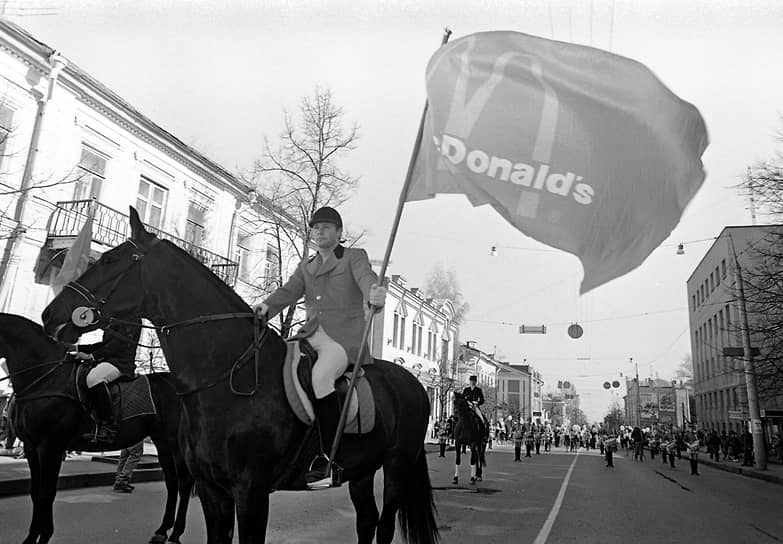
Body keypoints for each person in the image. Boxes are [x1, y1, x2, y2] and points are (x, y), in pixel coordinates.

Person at [254, 206, 386, 489]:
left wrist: (374, 293)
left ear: (339, 233)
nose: (319, 232)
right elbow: (288, 291)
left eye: (326, 227)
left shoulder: (353, 257)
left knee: (321, 377)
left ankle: (327, 459)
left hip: (342, 338)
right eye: (315, 228)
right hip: (309, 335)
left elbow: (366, 278)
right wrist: (265, 308)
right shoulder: (307, 266)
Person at [69, 321, 140, 445]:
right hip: (108, 360)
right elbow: (103, 345)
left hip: (121, 363)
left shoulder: (132, 318)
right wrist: (76, 348)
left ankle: (109, 427)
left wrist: (91, 356)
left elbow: (118, 344)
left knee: (93, 379)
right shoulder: (115, 319)